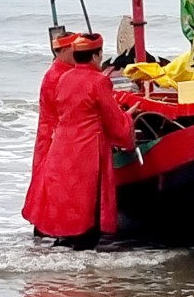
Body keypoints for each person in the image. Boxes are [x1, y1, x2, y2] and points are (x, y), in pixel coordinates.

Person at [28, 34, 140, 249]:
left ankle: (63, 246)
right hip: (88, 148)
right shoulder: (99, 81)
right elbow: (114, 122)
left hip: (62, 144)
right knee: (90, 204)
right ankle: (84, 263)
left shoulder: (64, 78)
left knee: (68, 197)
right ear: (96, 55)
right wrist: (128, 118)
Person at [22, 30, 79, 234]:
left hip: (53, 131)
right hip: (54, 134)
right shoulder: (59, 75)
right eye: (73, 49)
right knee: (52, 182)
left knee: (48, 181)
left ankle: (48, 225)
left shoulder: (61, 71)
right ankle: (51, 226)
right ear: (62, 50)